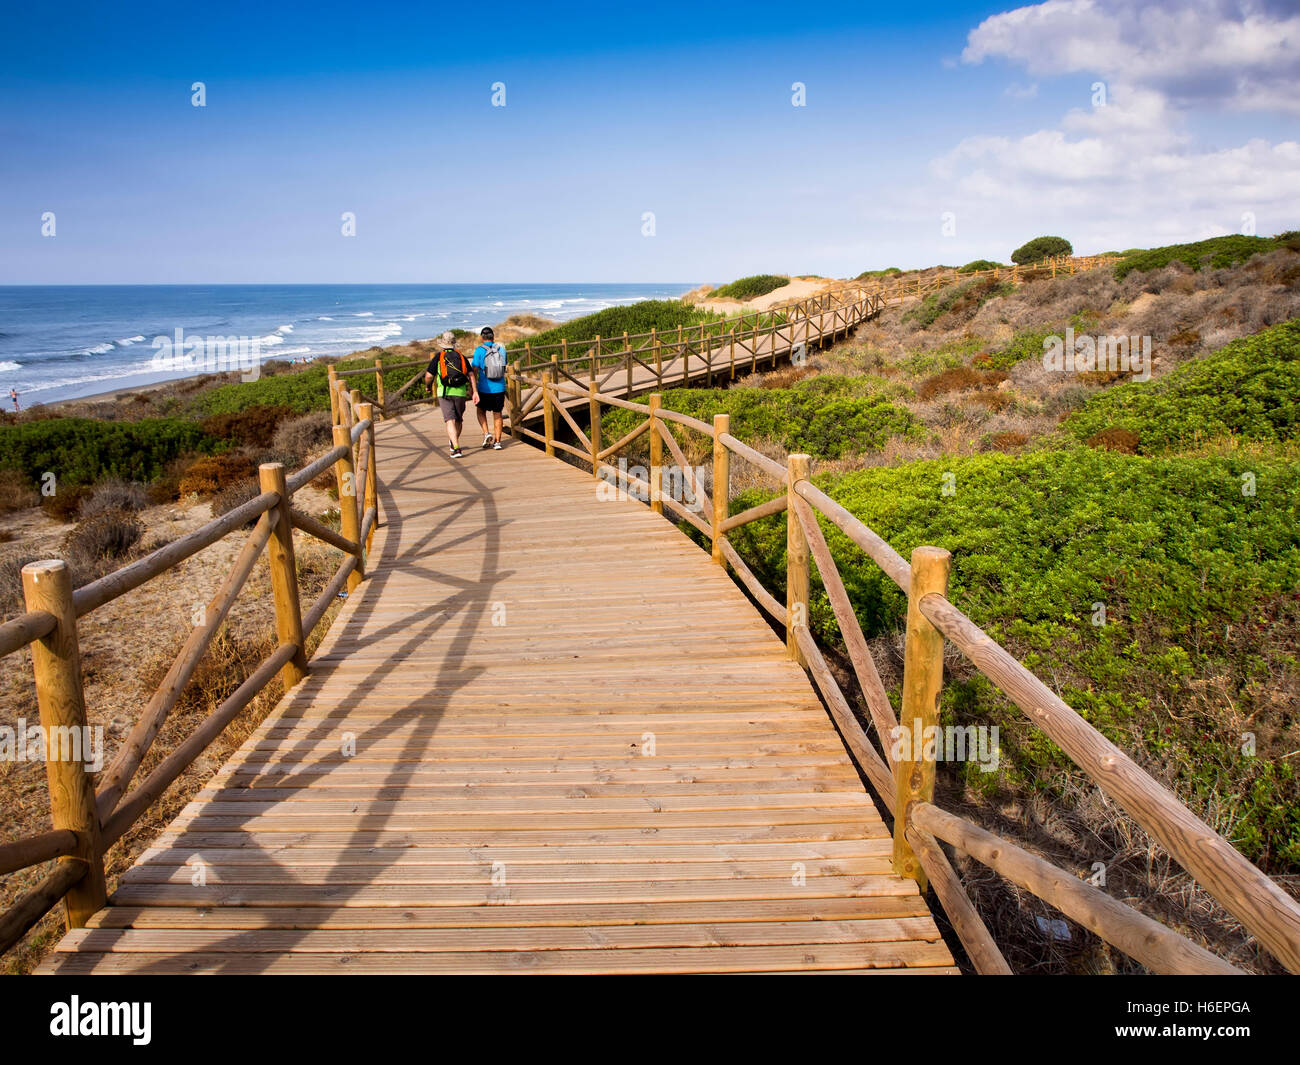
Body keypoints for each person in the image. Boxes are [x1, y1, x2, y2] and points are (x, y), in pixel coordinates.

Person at [424, 332, 478, 458]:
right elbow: (470, 375)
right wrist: (474, 391)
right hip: (460, 392)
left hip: (444, 392)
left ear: (442, 343)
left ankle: (457, 448)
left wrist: (427, 385)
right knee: (458, 420)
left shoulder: (438, 357)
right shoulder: (461, 356)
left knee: (449, 420)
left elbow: (428, 376)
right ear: (454, 343)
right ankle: (454, 443)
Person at [471, 327, 508, 450]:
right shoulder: (501, 350)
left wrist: (474, 385)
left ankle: (487, 433)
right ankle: (497, 442)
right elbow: (504, 366)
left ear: (482, 338)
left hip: (484, 388)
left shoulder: (479, 350)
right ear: (493, 337)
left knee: (481, 411)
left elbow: (474, 369)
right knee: (497, 414)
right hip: (499, 388)